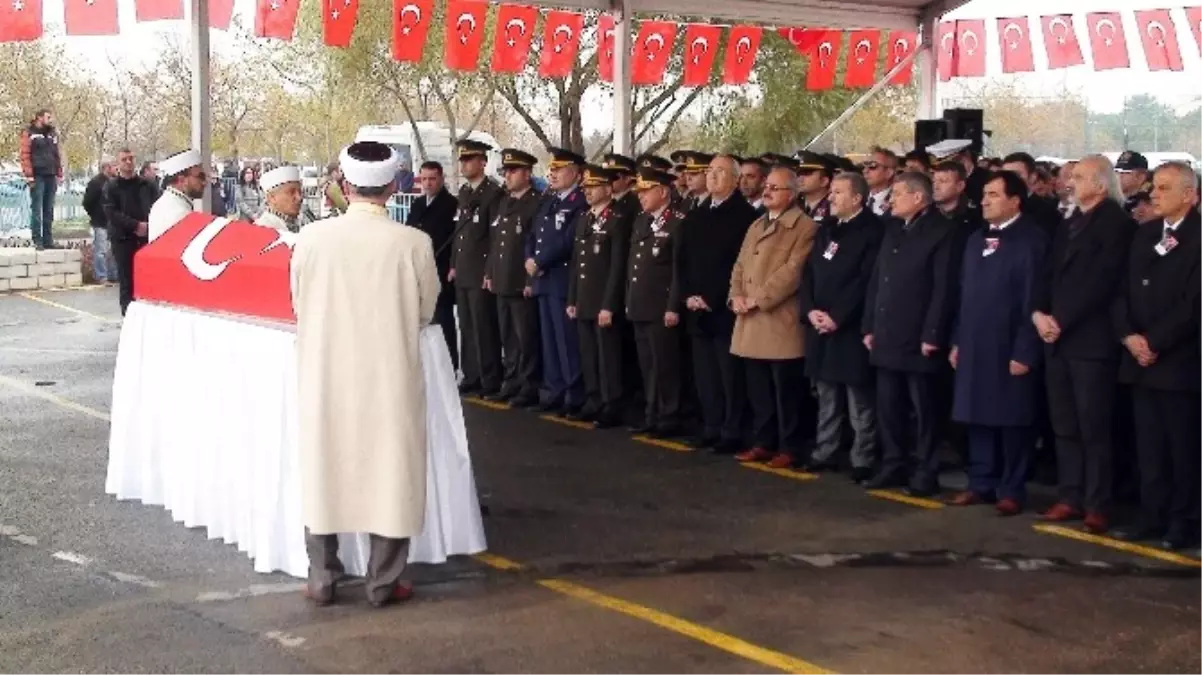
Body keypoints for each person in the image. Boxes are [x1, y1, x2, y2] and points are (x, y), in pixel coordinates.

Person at [291, 140, 440, 607]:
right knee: (391, 473)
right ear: (394, 186)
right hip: (388, 378)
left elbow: (298, 302)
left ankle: (322, 577)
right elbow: (425, 310)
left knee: (324, 468)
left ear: (342, 183)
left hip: (325, 376)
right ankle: (383, 582)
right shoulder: (413, 243)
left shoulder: (311, 240)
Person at [1031, 155, 1134, 533]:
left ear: (1101, 185)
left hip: (1090, 341)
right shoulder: (1069, 221)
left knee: (1094, 428)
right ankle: (1070, 495)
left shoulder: (1115, 224)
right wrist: (1038, 313)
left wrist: (1062, 319)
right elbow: (1047, 272)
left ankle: (1097, 502)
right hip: (1056, 339)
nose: (1070, 182)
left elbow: (1103, 281)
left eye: (1078, 177)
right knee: (1065, 425)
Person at [1112, 162, 1202, 550]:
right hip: (1139, 360)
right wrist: (1130, 336)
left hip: (1178, 362)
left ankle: (1185, 520)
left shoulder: (1199, 238)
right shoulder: (1145, 234)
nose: (1154, 195)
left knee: (1181, 448)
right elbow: (1122, 291)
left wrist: (1155, 342)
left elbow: (1192, 304)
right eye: (1154, 188)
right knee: (1148, 447)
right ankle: (1153, 513)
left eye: (1164, 189)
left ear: (1189, 195)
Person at [947, 171, 1047, 515]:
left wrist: (1025, 351)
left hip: (1009, 345)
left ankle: (1012, 488)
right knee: (978, 416)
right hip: (975, 342)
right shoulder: (976, 240)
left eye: (993, 195)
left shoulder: (1032, 240)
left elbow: (1035, 300)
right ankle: (981, 483)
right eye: (985, 195)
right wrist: (957, 340)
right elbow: (965, 296)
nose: (985, 201)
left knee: (1012, 420)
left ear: (1015, 200)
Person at [861, 172, 956, 496]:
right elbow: (878, 280)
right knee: (888, 406)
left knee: (924, 408)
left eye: (898, 194)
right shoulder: (893, 228)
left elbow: (943, 288)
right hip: (887, 331)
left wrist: (933, 333)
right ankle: (893, 463)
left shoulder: (942, 231)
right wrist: (869, 325)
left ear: (918, 197)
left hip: (918, 335)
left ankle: (925, 469)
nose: (891, 200)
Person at [730, 166, 818, 468]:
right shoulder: (756, 225)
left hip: (779, 320)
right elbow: (740, 266)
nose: (766, 191)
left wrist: (759, 299)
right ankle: (763, 442)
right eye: (766, 186)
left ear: (791, 195)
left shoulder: (805, 226)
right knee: (759, 391)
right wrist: (736, 296)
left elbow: (793, 271)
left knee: (786, 393)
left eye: (774, 188)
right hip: (750, 320)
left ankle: (790, 447)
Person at [802, 171, 883, 481]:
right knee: (826, 394)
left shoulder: (873, 231)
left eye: (837, 192)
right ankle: (826, 451)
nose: (831, 198)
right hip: (819, 324)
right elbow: (808, 272)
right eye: (831, 192)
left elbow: (865, 281)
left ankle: (862, 457)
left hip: (849, 327)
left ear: (857, 198)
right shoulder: (827, 229)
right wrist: (810, 311)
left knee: (857, 398)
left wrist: (837, 315)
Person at [676, 154, 758, 452]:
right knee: (705, 374)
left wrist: (711, 297)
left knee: (729, 375)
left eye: (720, 172)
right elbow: (681, 259)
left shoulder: (745, 216)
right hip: (696, 308)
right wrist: (688, 294)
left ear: (735, 180)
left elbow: (739, 266)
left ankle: (731, 430)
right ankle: (710, 425)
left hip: (724, 309)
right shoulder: (696, 214)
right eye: (709, 171)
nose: (711, 176)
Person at [567, 164, 631, 427]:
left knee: (608, 357)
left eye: (593, 188)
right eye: (586, 188)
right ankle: (593, 399)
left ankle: (611, 403)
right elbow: (576, 262)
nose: (588, 192)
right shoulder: (584, 219)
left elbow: (617, 268)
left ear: (607, 188)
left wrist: (609, 305)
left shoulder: (617, 220)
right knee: (589, 354)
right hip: (584, 298)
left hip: (603, 299)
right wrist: (572, 299)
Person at [527, 148, 588, 414]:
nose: (552, 174)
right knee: (550, 341)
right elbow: (533, 233)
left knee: (567, 342)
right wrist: (529, 257)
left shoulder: (579, 202)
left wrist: (541, 261)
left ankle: (574, 395)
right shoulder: (549, 200)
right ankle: (555, 390)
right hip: (543, 279)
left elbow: (568, 241)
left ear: (575, 173)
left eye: (559, 169)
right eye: (551, 169)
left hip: (561, 278)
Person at [626, 167, 685, 436]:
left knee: (666, 366)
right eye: (639, 191)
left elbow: (678, 270)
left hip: (661, 307)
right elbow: (633, 266)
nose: (641, 196)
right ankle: (652, 413)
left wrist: (673, 306)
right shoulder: (641, 221)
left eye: (646, 190)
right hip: (640, 304)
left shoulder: (677, 222)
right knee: (647, 364)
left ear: (663, 192)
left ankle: (668, 416)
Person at [485, 149, 543, 407]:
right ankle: (511, 381)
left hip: (521, 282)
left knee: (525, 338)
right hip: (502, 279)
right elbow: (496, 242)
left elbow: (534, 246)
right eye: (505, 171)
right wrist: (489, 272)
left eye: (513, 171)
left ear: (527, 173)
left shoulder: (536, 203)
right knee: (508, 336)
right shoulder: (504, 202)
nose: (507, 176)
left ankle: (528, 385)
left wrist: (531, 281)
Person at [450, 139, 505, 396]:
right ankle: (471, 374)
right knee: (468, 326)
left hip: (480, 268)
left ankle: (490, 377)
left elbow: (495, 237)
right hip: (463, 269)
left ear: (483, 162)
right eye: (462, 160)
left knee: (485, 328)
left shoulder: (492, 193)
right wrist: (453, 265)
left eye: (469, 160)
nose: (464, 165)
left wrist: (490, 270)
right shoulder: (464, 193)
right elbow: (458, 233)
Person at [406, 161, 459, 370]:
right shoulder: (418, 204)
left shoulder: (451, 204)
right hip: (418, 270)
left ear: (441, 179)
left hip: (441, 269)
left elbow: (453, 239)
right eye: (424, 179)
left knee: (443, 321)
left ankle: (450, 365)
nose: (427, 183)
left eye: (432, 179)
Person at [103, 148, 157, 315]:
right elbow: (112, 213)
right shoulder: (111, 187)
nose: (128, 162)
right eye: (124, 159)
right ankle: (128, 318)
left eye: (131, 159)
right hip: (123, 239)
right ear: (118, 163)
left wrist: (149, 225)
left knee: (146, 280)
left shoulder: (147, 185)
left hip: (145, 238)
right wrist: (135, 225)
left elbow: (156, 206)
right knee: (126, 281)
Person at [19, 109, 63, 250]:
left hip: (51, 175)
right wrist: (29, 175)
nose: (50, 119)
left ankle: (48, 240)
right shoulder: (29, 133)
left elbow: (57, 154)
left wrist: (59, 173)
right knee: (37, 209)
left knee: (48, 209)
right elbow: (25, 155)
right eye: (48, 117)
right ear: (39, 117)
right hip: (37, 175)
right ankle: (37, 240)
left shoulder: (52, 134)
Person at [147, 149, 204, 242]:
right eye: (200, 176)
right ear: (182, 180)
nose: (204, 182)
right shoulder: (179, 213)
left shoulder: (167, 202)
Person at [82, 159, 118, 284]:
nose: (116, 169)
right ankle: (101, 275)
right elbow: (87, 202)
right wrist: (96, 214)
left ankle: (114, 275)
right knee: (101, 250)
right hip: (100, 221)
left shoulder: (114, 182)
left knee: (113, 250)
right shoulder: (96, 183)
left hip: (112, 222)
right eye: (114, 166)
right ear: (107, 167)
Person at [255, 166, 303, 232]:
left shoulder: (301, 223)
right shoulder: (264, 229)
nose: (299, 198)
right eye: (291, 192)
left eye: (300, 192)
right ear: (272, 198)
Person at [795, 151, 834, 221]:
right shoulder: (797, 207)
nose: (800, 178)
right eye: (798, 173)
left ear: (824, 181)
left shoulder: (833, 209)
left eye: (807, 173)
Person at [862, 146, 898, 217]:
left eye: (873, 165)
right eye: (865, 165)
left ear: (889, 173)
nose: (865, 171)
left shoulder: (897, 201)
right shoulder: (858, 198)